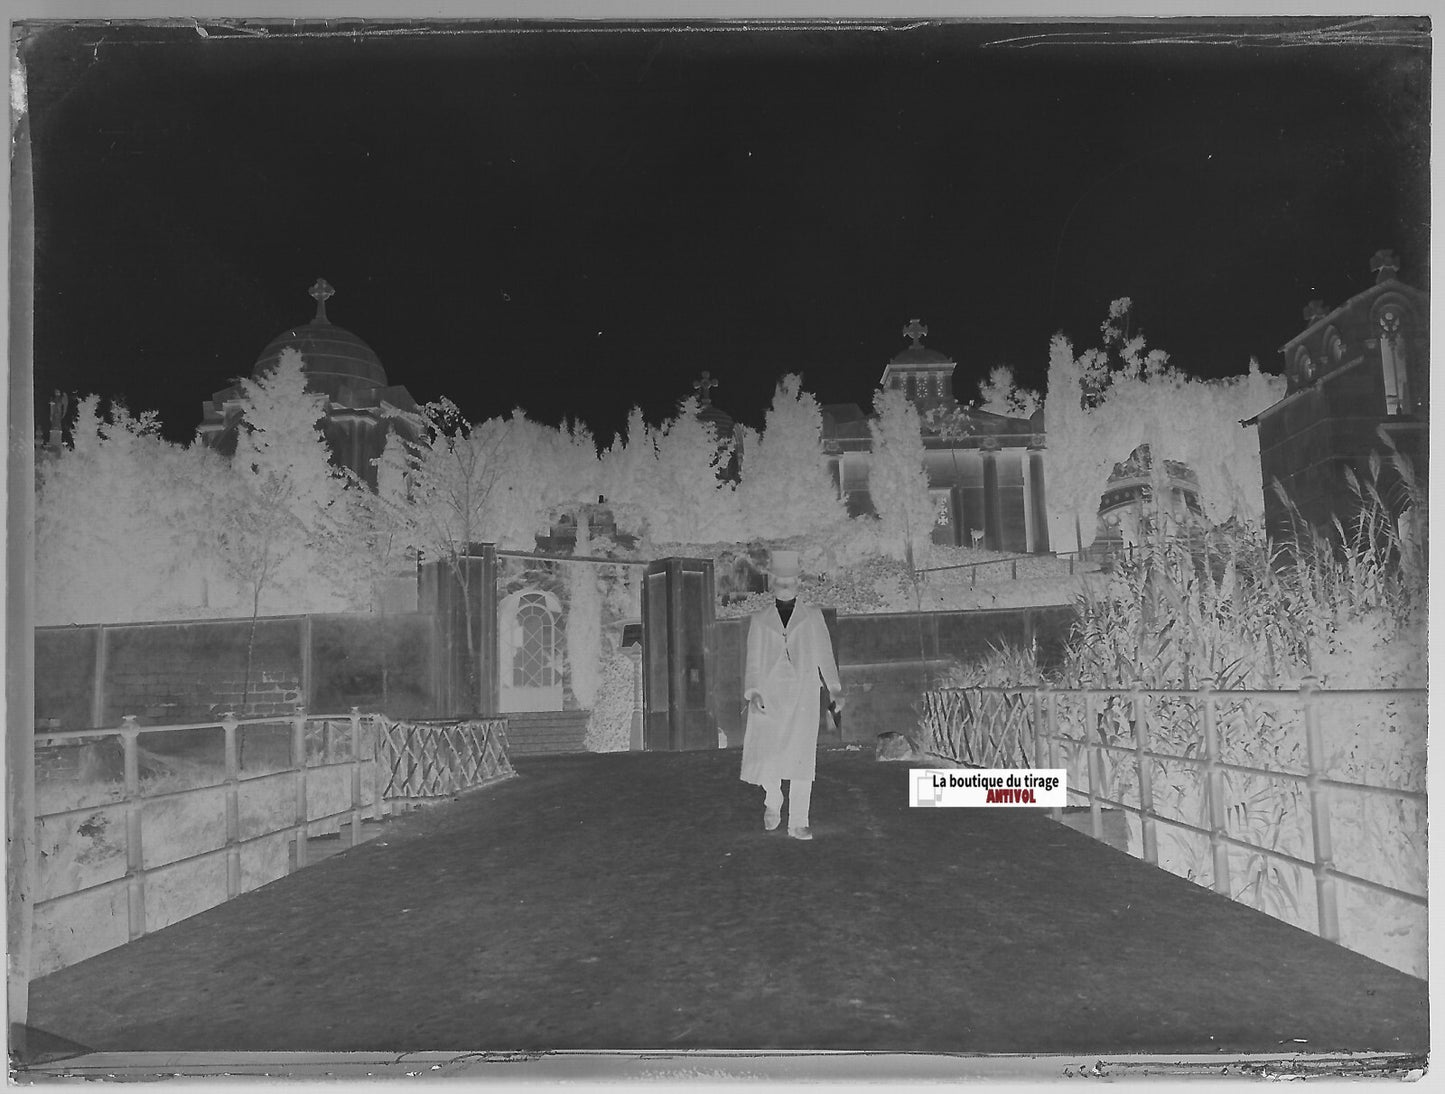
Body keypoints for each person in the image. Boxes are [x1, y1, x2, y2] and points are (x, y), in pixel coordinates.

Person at [740, 550, 844, 841]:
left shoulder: (812, 618)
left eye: (791, 580)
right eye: (780, 580)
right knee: (769, 756)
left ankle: (799, 821)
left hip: (803, 697)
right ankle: (773, 798)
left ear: (799, 582)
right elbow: (752, 662)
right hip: (769, 698)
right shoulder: (760, 621)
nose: (785, 585)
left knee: (801, 759)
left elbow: (825, 655)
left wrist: (834, 689)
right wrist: (754, 691)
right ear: (771, 582)